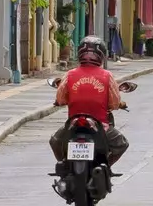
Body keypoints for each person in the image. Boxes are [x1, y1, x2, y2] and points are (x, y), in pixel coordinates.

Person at [51, 36, 129, 168]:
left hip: (73, 124)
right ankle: (106, 167)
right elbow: (114, 103)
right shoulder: (107, 76)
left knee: (55, 141)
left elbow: (60, 98)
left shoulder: (70, 74)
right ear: (102, 55)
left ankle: (64, 165)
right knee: (122, 144)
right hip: (100, 125)